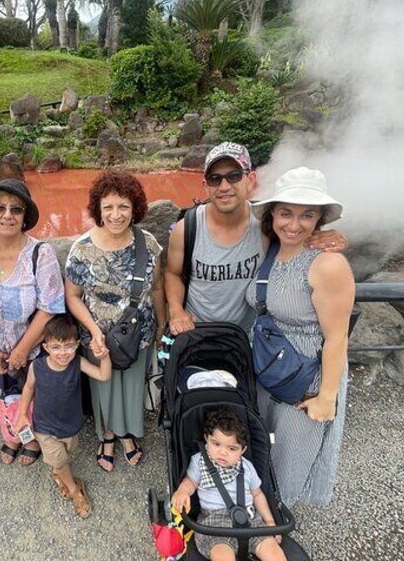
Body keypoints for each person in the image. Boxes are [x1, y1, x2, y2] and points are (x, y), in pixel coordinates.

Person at [245, 166, 355, 506]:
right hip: (268, 364)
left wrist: (326, 398)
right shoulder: (273, 248)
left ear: (319, 218)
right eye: (286, 213)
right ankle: (261, 508)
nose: (294, 224)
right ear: (273, 214)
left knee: (291, 456)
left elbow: (337, 338)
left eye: (307, 215)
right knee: (263, 443)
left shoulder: (327, 264)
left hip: (306, 375)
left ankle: (276, 521)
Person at [164, 142, 347, 336]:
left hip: (250, 338)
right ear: (205, 186)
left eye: (234, 176)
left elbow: (297, 232)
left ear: (250, 180)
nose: (224, 187)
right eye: (215, 179)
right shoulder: (187, 228)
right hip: (197, 333)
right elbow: (173, 273)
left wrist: (328, 238)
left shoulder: (265, 224)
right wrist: (176, 310)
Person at [65, 170, 167, 472]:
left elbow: (157, 287)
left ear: (135, 208)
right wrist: (93, 330)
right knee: (104, 387)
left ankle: (127, 434)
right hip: (97, 337)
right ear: (98, 209)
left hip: (138, 333)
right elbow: (73, 296)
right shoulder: (82, 249)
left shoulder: (148, 244)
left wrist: (161, 325)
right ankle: (107, 435)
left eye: (123, 206)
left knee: (132, 385)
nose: (116, 214)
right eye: (108, 206)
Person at [0, 179, 65, 466]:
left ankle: (32, 438)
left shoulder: (40, 253)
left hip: (32, 350)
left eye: (16, 209)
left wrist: (22, 350)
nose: (7, 215)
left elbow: (50, 308)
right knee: (3, 399)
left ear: (25, 217)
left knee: (31, 399)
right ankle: (12, 435)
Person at [15, 314, 113, 518]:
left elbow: (104, 375)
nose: (63, 353)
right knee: (59, 460)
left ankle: (59, 470)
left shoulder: (78, 362)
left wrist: (104, 357)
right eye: (56, 347)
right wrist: (22, 414)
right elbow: (28, 388)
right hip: (44, 427)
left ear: (77, 345)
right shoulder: (37, 367)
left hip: (71, 425)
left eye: (68, 346)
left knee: (66, 453)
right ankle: (75, 489)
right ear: (46, 347)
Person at [171, 409, 285, 561]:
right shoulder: (199, 461)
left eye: (232, 449)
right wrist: (182, 491)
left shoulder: (247, 467)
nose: (223, 452)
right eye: (216, 444)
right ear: (207, 439)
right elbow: (190, 482)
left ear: (243, 450)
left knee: (273, 552)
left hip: (250, 519)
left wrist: (270, 522)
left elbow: (257, 494)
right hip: (215, 524)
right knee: (222, 555)